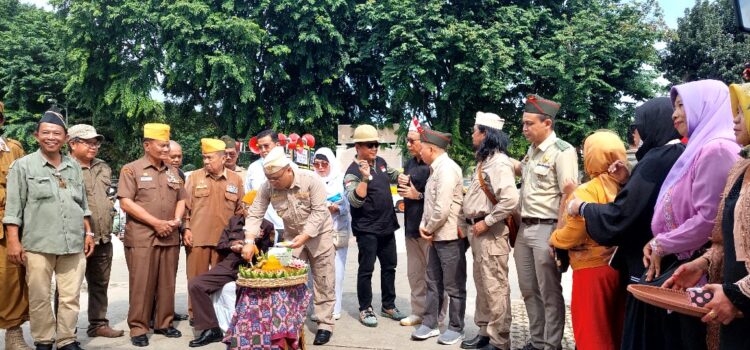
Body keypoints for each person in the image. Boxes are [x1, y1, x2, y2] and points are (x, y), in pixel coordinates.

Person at [566, 97, 685, 350]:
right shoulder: (679, 153)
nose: (636, 136)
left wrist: (582, 208)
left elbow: (622, 215)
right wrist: (628, 178)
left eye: (639, 128)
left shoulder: (655, 159)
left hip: (647, 262)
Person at [644, 79, 739, 350]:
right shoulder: (702, 147)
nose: (674, 113)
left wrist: (661, 243)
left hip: (708, 271)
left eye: (682, 105)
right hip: (696, 266)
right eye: (674, 106)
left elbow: (709, 220)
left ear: (706, 106)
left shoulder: (718, 149)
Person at [4, 111, 95, 350]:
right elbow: (13, 208)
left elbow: (82, 204)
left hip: (72, 243)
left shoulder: (73, 167)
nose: (51, 137)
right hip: (38, 243)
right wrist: (14, 241)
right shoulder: (22, 166)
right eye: (46, 133)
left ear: (66, 139)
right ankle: (43, 340)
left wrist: (89, 233)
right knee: (40, 296)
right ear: (36, 136)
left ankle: (66, 339)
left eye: (57, 133)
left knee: (70, 296)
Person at [241, 147, 336, 346]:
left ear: (288, 170)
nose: (273, 182)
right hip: (292, 239)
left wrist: (304, 236)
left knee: (323, 280)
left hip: (319, 236)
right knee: (290, 281)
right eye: (269, 178)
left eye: (276, 178)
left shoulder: (311, 180)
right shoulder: (268, 186)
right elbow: (255, 213)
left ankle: (325, 324)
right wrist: (249, 241)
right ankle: (292, 322)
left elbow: (319, 213)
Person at [550, 130, 627, 350]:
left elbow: (574, 232)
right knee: (615, 328)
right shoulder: (626, 187)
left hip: (591, 269)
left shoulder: (586, 191)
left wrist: (554, 238)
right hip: (618, 267)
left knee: (592, 332)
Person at [514, 94, 578, 350]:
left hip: (547, 228)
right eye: (523, 123)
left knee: (549, 292)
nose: (524, 128)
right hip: (524, 228)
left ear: (547, 123)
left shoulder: (563, 151)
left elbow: (569, 193)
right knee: (529, 289)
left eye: (529, 123)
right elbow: (522, 172)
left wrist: (559, 236)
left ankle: (552, 345)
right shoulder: (531, 152)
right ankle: (537, 341)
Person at [117, 123, 187, 347]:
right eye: (162, 145)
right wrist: (156, 223)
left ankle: (164, 323)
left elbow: (182, 199)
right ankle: (138, 327)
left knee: (167, 282)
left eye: (168, 145)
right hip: (142, 237)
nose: (167, 150)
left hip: (169, 236)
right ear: (147, 146)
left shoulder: (173, 171)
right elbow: (126, 202)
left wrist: (176, 221)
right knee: (142, 283)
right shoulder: (131, 169)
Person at [461, 112, 518, 350]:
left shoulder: (499, 163)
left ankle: (499, 340)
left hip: (491, 232)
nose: (472, 134)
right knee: (483, 285)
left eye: (475, 130)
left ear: (485, 134)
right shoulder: (485, 161)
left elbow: (510, 200)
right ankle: (485, 331)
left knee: (495, 286)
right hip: (479, 231)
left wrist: (489, 221)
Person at [187, 191, 274, 347]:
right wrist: (232, 246)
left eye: (254, 207)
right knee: (196, 284)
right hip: (230, 263)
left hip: (251, 266)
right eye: (246, 206)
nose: (248, 210)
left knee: (244, 290)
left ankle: (243, 331)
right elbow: (220, 246)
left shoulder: (267, 226)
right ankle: (211, 329)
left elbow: (267, 254)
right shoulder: (234, 221)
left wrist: (257, 243)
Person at [343, 124, 405, 327]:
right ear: (358, 147)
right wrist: (364, 177)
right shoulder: (352, 172)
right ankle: (365, 308)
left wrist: (404, 176)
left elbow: (394, 175)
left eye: (376, 144)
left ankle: (388, 305)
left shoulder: (381, 162)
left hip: (387, 226)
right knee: (366, 269)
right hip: (367, 229)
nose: (374, 148)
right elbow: (355, 200)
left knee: (390, 267)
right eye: (370, 144)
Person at [67, 124, 125, 339]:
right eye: (87, 142)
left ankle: (98, 324)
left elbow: (107, 198)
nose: (94, 146)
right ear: (72, 144)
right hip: (74, 238)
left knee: (100, 283)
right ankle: (66, 331)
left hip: (102, 237)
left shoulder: (103, 166)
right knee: (68, 289)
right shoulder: (64, 167)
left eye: (95, 142)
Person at [410, 127, 466, 345]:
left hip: (449, 236)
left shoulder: (447, 170)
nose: (419, 152)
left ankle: (456, 327)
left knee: (454, 285)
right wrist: (426, 226)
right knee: (433, 282)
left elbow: (442, 209)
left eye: (421, 147)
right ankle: (430, 323)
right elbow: (429, 205)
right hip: (435, 236)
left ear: (431, 149)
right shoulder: (436, 169)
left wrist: (428, 228)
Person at [183, 138, 245, 321]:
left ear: (223, 158)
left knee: (221, 282)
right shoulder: (194, 177)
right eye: (204, 158)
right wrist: (186, 229)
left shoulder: (236, 180)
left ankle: (219, 316)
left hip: (224, 243)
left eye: (210, 158)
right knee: (195, 280)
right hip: (198, 239)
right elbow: (185, 208)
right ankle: (197, 317)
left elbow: (240, 212)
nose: (206, 161)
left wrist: (236, 238)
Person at [397, 117, 444, 327]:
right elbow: (407, 192)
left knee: (433, 275)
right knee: (415, 274)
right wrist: (402, 183)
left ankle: (438, 316)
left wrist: (419, 196)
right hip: (411, 227)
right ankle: (418, 312)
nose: (408, 144)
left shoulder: (434, 165)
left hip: (429, 229)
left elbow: (439, 198)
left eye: (412, 141)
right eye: (407, 140)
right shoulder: (409, 163)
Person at [0, 101, 30, 350]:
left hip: (7, 227)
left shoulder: (13, 150)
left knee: (12, 281)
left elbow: (23, 190)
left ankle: (13, 334)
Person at [312, 147, 351, 321]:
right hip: (316, 234)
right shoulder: (311, 180)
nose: (320, 168)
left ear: (331, 164)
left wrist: (337, 207)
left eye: (324, 164)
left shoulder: (341, 179)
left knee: (337, 272)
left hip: (337, 230)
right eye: (317, 164)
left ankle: (335, 309)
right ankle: (319, 309)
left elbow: (350, 203)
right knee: (316, 272)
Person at [244, 130, 294, 238]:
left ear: (277, 145)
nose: (263, 150)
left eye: (266, 146)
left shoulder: (291, 167)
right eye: (260, 147)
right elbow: (248, 200)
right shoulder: (253, 168)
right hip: (262, 230)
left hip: (286, 228)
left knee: (285, 255)